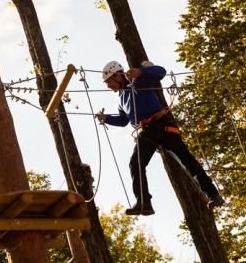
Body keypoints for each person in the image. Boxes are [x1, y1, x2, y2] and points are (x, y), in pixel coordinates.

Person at [95, 61, 224, 216]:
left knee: (185, 160)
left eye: (109, 80)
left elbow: (160, 72)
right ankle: (144, 203)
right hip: (146, 131)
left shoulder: (138, 81)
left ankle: (212, 194)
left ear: (117, 75)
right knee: (135, 164)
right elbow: (123, 121)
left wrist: (140, 71)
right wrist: (106, 118)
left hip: (161, 125)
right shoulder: (121, 99)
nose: (108, 85)